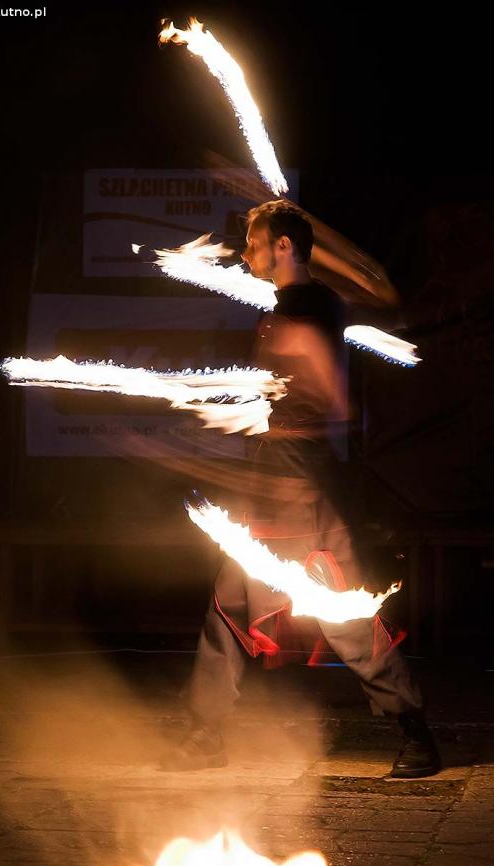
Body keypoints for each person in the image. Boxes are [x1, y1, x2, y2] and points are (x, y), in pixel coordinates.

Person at [161, 200, 440, 778]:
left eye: (255, 243)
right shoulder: (298, 306)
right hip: (274, 477)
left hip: (300, 485)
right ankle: (204, 733)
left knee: (339, 611)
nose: (245, 254)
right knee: (230, 604)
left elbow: (333, 400)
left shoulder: (306, 309)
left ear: (283, 247)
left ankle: (414, 730)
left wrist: (284, 399)